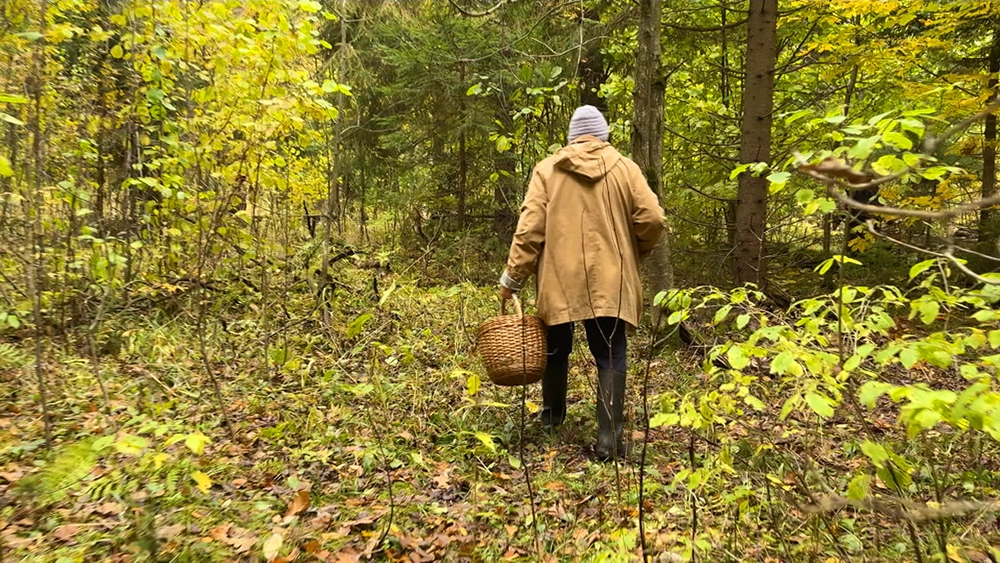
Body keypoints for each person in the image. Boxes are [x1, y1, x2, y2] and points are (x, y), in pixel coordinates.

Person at [499, 105, 666, 461]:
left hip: (559, 279)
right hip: (611, 278)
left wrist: (512, 277)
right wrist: (636, 252)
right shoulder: (626, 169)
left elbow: (529, 231)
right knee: (610, 353)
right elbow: (652, 218)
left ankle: (551, 421)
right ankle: (609, 440)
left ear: (572, 138)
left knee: (556, 348)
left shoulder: (547, 170)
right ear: (604, 137)